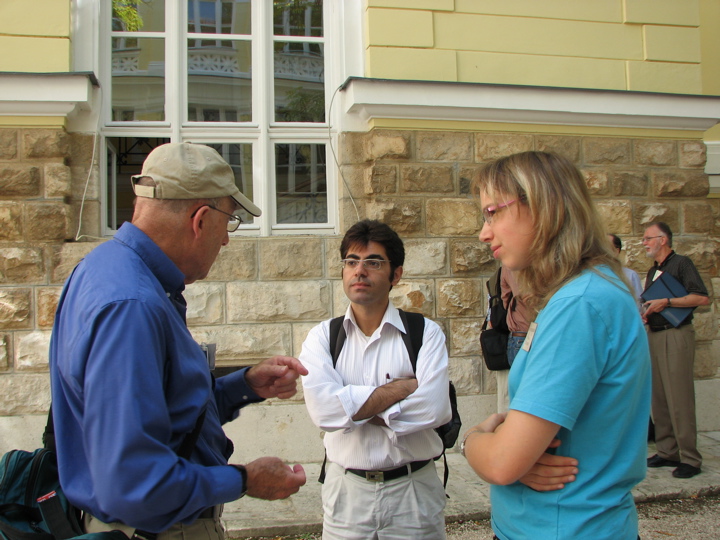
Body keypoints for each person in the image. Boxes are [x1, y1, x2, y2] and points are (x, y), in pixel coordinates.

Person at [48, 142, 307, 540]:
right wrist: (244, 480)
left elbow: (166, 419)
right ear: (200, 219)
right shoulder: (132, 305)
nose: (224, 242)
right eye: (229, 224)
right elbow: (133, 484)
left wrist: (244, 386)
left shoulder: (105, 270)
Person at [462, 151, 651, 540]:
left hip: (562, 527)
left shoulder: (578, 304)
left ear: (543, 206)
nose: (484, 232)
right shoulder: (583, 293)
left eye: (492, 212)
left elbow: (500, 464)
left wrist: (475, 441)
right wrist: (512, 452)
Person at [299, 219, 451, 539]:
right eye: (351, 262)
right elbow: (325, 412)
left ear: (396, 274)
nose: (359, 271)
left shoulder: (425, 334)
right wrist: (400, 389)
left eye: (373, 262)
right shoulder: (322, 338)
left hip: (413, 493)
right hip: (347, 494)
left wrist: (353, 409)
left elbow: (434, 410)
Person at [641, 222, 709, 479]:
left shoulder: (682, 263)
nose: (644, 242)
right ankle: (667, 450)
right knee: (659, 397)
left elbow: (701, 297)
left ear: (663, 239)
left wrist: (667, 301)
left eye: (648, 238)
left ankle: (690, 457)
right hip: (655, 335)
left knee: (679, 396)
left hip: (676, 334)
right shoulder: (652, 271)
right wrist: (648, 312)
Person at [495, 267, 530, 412]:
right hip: (525, 333)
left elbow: (505, 297)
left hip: (520, 333)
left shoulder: (509, 266)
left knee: (520, 394)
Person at [608, 233, 643, 304]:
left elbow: (639, 303)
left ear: (616, 251)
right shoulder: (593, 275)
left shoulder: (630, 276)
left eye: (607, 246)